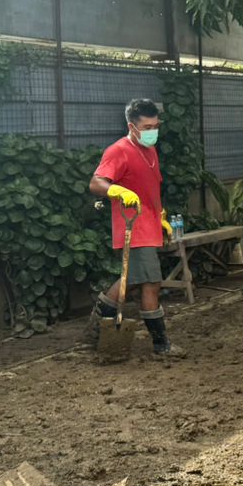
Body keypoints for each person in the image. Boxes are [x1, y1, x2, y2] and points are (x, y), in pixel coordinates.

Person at [89, 98, 182, 358]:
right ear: (132, 126)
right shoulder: (118, 150)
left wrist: (159, 215)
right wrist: (117, 190)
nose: (153, 131)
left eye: (156, 125)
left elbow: (150, 186)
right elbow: (96, 183)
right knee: (150, 282)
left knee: (132, 279)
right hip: (133, 226)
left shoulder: (149, 150)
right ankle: (161, 344)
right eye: (147, 126)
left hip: (149, 224)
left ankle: (99, 323)